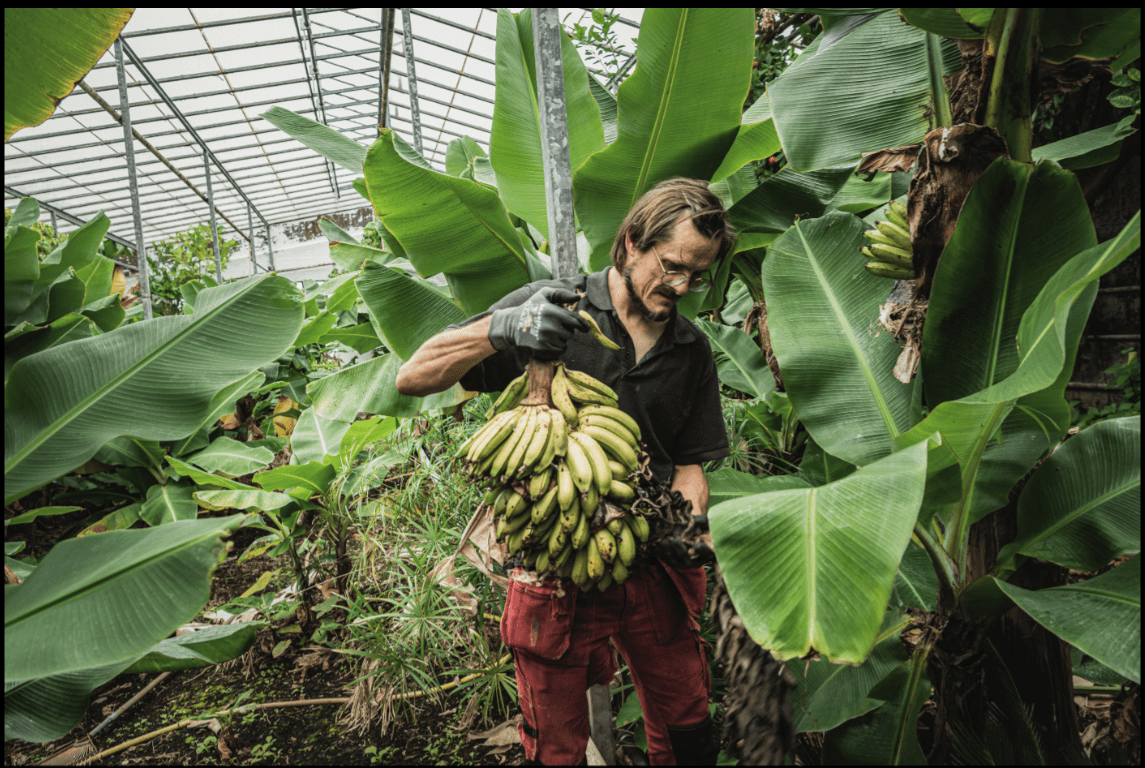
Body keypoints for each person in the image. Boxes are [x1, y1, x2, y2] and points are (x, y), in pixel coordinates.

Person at [396, 177, 735, 765]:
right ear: (631, 242)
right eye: (673, 266)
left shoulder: (690, 349)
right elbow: (414, 376)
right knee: (555, 742)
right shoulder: (553, 309)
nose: (682, 286)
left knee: (687, 718)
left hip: (650, 553)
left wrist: (691, 524)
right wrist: (502, 329)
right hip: (553, 558)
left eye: (697, 276)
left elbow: (688, 463)